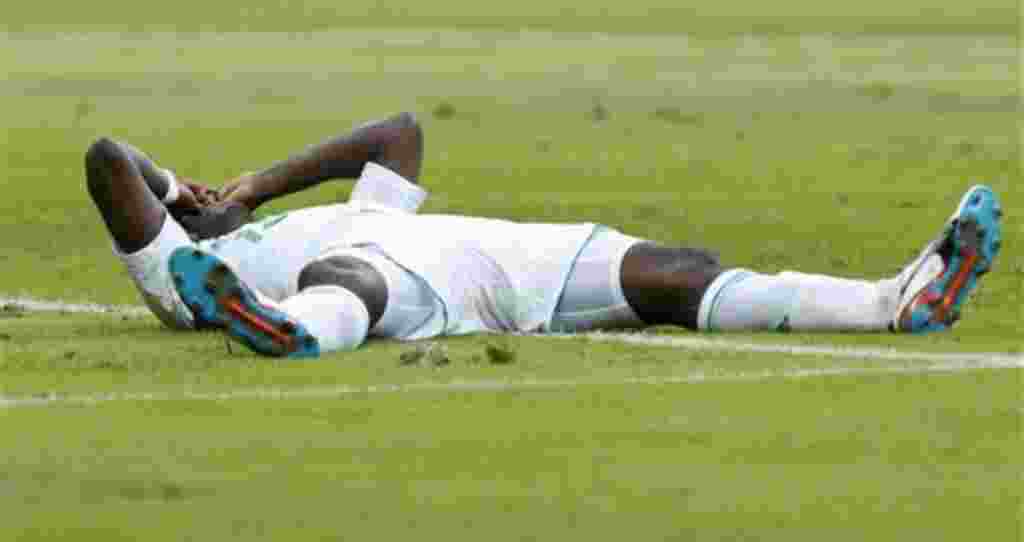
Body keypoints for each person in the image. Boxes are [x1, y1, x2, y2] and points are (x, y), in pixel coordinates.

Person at [84, 112, 1003, 358]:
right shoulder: (188, 273)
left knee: (678, 273)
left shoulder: (331, 207)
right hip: (394, 284)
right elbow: (108, 158)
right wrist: (170, 193)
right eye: (189, 203)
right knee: (345, 278)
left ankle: (895, 301)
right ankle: (291, 332)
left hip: (500, 253)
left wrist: (256, 184)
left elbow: (397, 133)